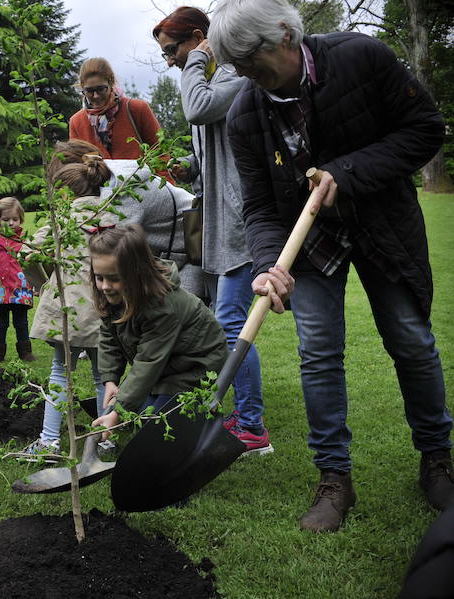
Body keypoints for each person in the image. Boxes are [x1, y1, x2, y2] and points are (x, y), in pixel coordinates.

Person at [210, 0, 453, 531]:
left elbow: (426, 129)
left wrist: (347, 171)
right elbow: (257, 204)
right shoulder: (244, 114)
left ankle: (437, 460)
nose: (246, 74)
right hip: (311, 242)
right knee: (317, 353)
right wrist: (271, 263)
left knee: (411, 340)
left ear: (284, 35)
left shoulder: (361, 58)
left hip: (382, 222)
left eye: (250, 59)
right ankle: (333, 479)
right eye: (234, 65)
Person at [154, 6, 271, 456]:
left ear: (199, 38)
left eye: (172, 51)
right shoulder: (212, 80)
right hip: (218, 226)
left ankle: (252, 427)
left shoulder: (231, 78)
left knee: (231, 326)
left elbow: (198, 109)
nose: (168, 61)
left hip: (243, 224)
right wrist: (184, 168)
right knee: (223, 325)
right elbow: (211, 151)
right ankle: (241, 416)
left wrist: (197, 61)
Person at [89, 225, 228, 436]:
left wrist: (118, 412)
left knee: (154, 426)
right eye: (100, 278)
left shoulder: (163, 306)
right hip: (167, 361)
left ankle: (200, 425)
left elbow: (148, 363)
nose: (106, 286)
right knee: (140, 416)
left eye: (114, 278)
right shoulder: (113, 295)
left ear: (137, 272)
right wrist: (110, 379)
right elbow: (109, 338)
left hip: (195, 363)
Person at [22, 157, 116, 456]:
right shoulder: (113, 216)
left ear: (67, 192)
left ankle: (49, 440)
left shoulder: (62, 218)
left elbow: (27, 253)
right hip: (105, 308)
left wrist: (44, 283)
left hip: (67, 312)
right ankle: (105, 440)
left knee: (61, 373)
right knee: (105, 375)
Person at [48, 139, 204, 297]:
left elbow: (110, 250)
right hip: (169, 254)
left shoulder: (122, 192)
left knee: (172, 314)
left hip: (193, 253)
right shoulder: (111, 175)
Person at [68, 58, 165, 161]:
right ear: (82, 87)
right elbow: (76, 164)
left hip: (140, 176)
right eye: (89, 91)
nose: (95, 96)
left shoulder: (136, 109)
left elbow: (160, 151)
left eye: (101, 89)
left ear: (111, 82)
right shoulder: (77, 122)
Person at [0, 197, 34, 363]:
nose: (11, 223)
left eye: (15, 219)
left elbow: (32, 263)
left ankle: (25, 351)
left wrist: (36, 283)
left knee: (21, 322)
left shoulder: (25, 240)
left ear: (21, 219)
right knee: (0, 322)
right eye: (6, 220)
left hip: (20, 288)